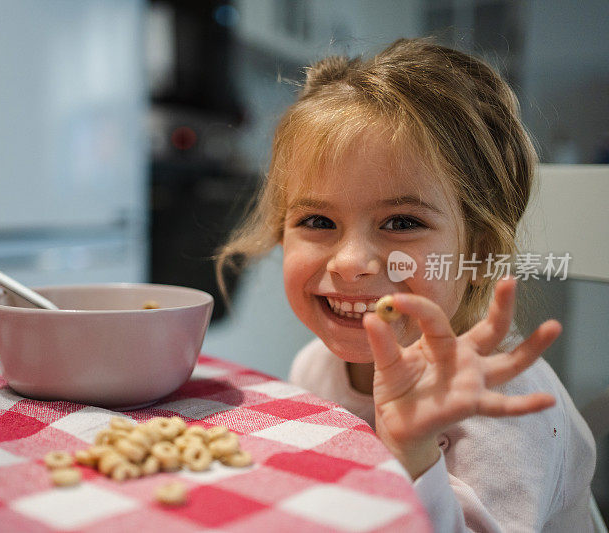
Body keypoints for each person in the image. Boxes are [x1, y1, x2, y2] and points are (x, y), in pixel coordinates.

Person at [217, 38, 596, 531]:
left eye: (400, 223)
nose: (351, 263)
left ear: (477, 249)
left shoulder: (498, 399)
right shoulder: (317, 366)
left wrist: (414, 455)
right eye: (317, 220)